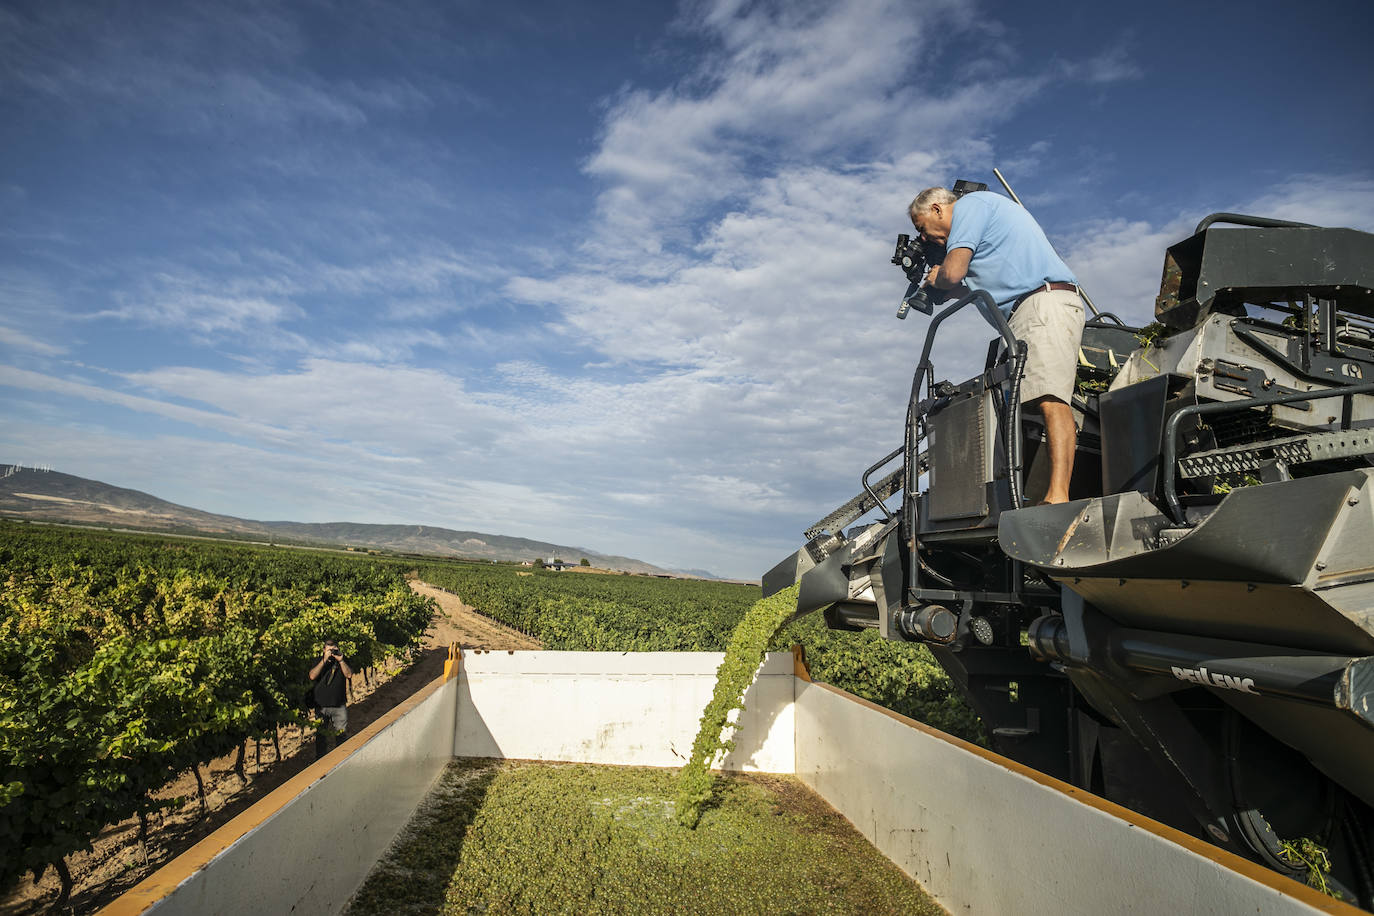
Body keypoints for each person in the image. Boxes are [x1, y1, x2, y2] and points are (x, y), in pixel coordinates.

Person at [909, 187, 1085, 504]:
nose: (925, 238)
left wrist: (938, 278)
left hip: (1042, 305)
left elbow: (954, 272)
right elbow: (967, 285)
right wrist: (943, 288)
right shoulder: (979, 225)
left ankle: (1058, 496)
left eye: (921, 228)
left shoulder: (969, 207)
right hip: (1025, 314)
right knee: (1020, 409)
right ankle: (1022, 495)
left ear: (937, 209)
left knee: (1050, 398)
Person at [308, 639, 354, 759]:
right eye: (329, 650)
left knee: (341, 735)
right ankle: (321, 762)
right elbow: (312, 676)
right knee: (321, 737)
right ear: (324, 650)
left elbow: (349, 675)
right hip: (321, 705)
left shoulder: (342, 660)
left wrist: (341, 660)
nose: (332, 652)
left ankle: (342, 759)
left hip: (339, 705)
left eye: (334, 649)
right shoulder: (318, 661)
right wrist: (324, 660)